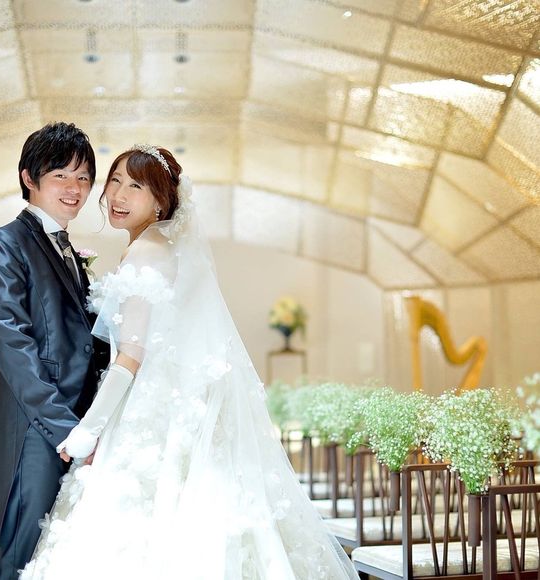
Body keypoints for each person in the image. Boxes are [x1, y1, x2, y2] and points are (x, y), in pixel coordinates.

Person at [22, 145, 358, 579]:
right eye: (116, 180)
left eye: (136, 187)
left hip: (146, 414)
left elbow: (131, 357)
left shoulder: (145, 252)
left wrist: (89, 429)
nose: (119, 195)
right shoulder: (163, 247)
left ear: (161, 201)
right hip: (167, 405)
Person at [0, 122, 109, 580]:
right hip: (37, 428)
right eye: (61, 175)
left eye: (84, 177)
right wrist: (63, 428)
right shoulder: (5, 244)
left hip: (78, 424)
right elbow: (12, 344)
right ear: (29, 178)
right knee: (24, 558)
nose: (75, 189)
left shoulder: (68, 250)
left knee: (60, 557)